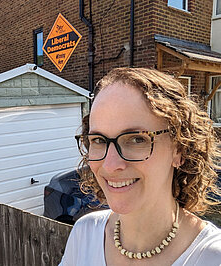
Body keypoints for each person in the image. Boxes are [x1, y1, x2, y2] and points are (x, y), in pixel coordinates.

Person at [59, 68, 221, 265]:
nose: (110, 165)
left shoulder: (212, 256)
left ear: (179, 149)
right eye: (99, 140)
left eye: (136, 139)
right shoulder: (84, 234)